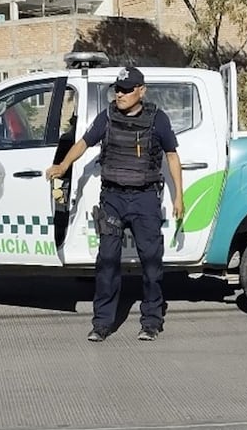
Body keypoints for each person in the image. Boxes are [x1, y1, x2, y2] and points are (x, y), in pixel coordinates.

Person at [45, 66, 184, 342]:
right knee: (107, 264)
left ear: (141, 91)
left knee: (152, 264)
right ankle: (102, 324)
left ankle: (151, 321)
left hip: (145, 199)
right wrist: (62, 165)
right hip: (113, 199)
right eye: (117, 89)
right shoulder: (106, 116)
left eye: (126, 90)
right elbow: (83, 143)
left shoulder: (158, 119)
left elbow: (172, 156)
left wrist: (179, 194)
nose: (119, 94)